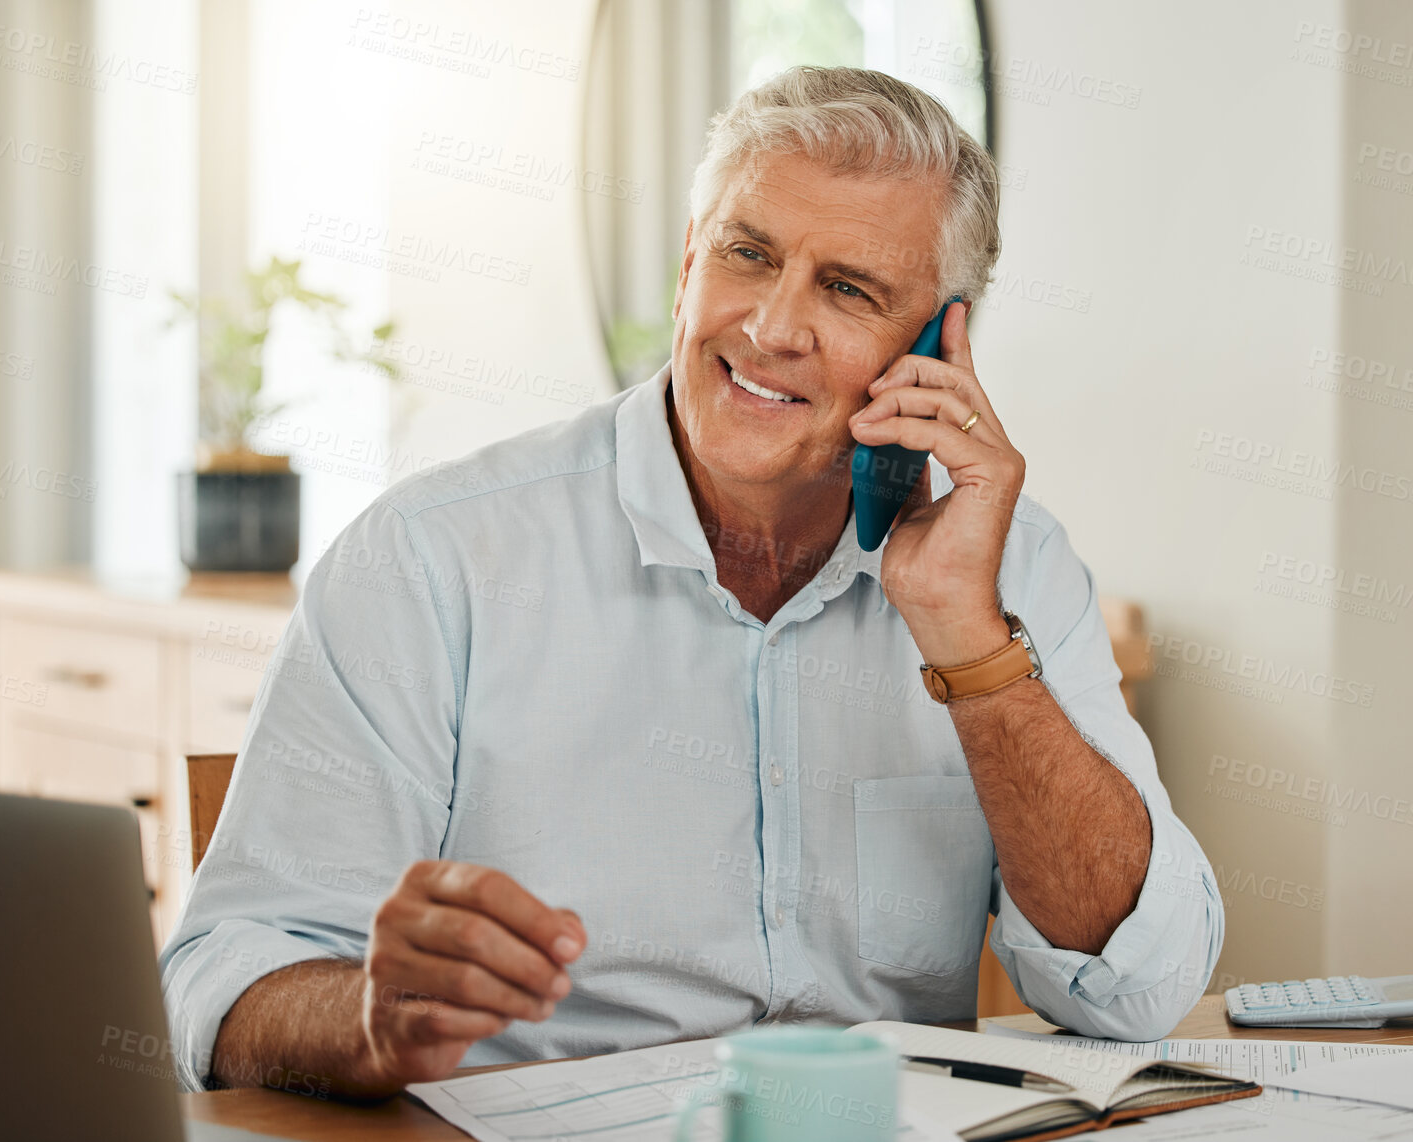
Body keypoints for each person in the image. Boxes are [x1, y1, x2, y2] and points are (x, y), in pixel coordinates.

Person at [160, 65, 1223, 1098]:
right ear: (686, 267)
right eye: (746, 255)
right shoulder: (430, 559)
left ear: (939, 346)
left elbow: (1138, 987)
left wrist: (970, 641)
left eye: (846, 288)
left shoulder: (1011, 566)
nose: (769, 326)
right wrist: (369, 1017)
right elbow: (222, 978)